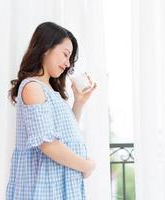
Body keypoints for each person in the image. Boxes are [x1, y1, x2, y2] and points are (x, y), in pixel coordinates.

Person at [6, 21, 97, 200]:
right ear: (46, 47)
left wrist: (78, 102)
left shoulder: (49, 91)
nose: (67, 63)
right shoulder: (33, 87)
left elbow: (64, 135)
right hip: (45, 186)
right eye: (65, 54)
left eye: (70, 58)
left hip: (58, 182)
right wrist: (86, 166)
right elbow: (48, 145)